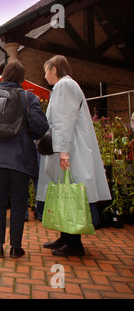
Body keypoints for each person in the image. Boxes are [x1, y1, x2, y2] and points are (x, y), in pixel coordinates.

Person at [37, 55, 111, 256]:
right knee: (65, 193)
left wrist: (63, 152)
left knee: (69, 193)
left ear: (54, 69)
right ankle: (66, 237)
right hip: (69, 147)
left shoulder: (64, 87)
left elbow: (63, 121)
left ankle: (74, 244)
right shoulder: (68, 86)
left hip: (69, 150)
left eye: (46, 71)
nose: (45, 76)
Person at [0, 61, 49, 259]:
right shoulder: (28, 97)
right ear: (21, 79)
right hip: (20, 158)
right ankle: (15, 248)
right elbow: (41, 127)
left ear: (4, 76)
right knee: (19, 202)